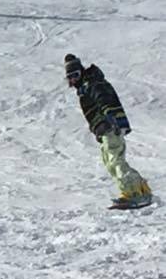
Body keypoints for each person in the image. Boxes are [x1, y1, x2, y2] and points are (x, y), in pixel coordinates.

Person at [65, 54, 152, 208]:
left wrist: (112, 119)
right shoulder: (86, 86)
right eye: (69, 77)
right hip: (105, 128)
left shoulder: (92, 83)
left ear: (81, 71)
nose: (73, 80)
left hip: (110, 126)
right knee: (110, 162)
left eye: (75, 75)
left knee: (115, 161)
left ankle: (135, 193)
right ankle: (139, 189)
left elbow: (105, 99)